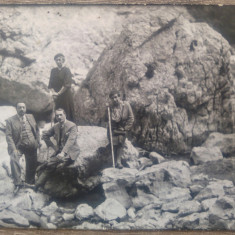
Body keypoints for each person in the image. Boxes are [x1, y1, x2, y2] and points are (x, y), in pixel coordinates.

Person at [5, 103, 40, 193]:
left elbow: (36, 129)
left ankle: (30, 182)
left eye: (23, 107)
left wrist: (37, 142)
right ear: (16, 109)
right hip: (19, 146)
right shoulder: (10, 120)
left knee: (32, 164)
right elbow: (8, 136)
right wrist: (13, 149)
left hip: (32, 145)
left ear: (26, 109)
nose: (22, 109)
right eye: (19, 107)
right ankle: (18, 183)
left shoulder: (30, 116)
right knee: (14, 158)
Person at [107, 89, 134, 168]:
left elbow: (131, 118)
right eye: (112, 98)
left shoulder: (126, 105)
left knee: (120, 140)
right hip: (113, 128)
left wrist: (126, 128)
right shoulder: (110, 107)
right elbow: (105, 119)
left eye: (116, 97)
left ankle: (118, 162)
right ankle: (113, 161)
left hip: (122, 128)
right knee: (113, 142)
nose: (115, 99)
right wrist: (107, 110)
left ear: (119, 97)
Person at [48, 53, 75, 122]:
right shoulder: (53, 71)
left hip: (66, 95)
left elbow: (67, 84)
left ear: (63, 60)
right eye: (56, 60)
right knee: (57, 113)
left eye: (59, 60)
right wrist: (54, 93)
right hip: (57, 96)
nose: (58, 61)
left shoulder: (67, 70)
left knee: (67, 112)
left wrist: (59, 93)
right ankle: (58, 130)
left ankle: (69, 130)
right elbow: (50, 84)